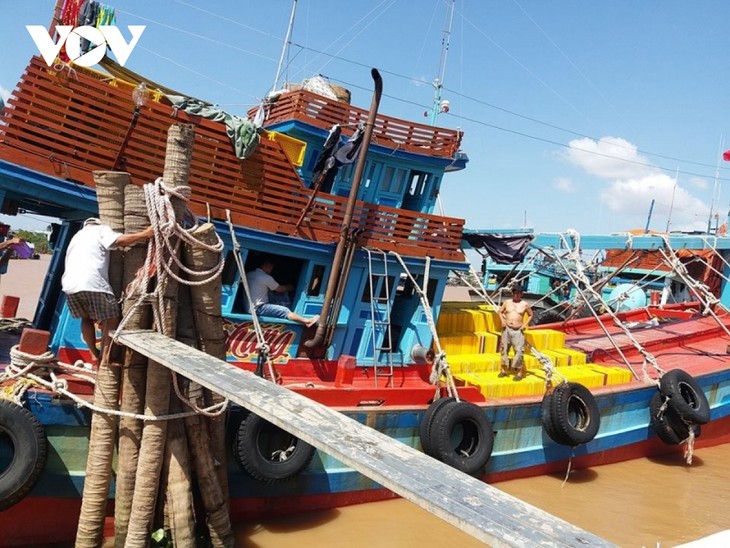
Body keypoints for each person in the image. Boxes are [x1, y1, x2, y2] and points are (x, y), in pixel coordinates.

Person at [61, 218, 154, 366]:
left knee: (86, 319)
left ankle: (93, 354)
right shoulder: (101, 230)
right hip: (92, 283)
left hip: (70, 285)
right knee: (111, 319)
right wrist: (146, 234)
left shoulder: (77, 235)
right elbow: (120, 241)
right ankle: (105, 359)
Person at [246, 258, 319, 327]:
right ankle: (307, 321)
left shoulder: (249, 274)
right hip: (258, 309)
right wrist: (290, 287)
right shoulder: (266, 277)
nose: (271, 270)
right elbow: (280, 289)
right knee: (285, 310)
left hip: (248, 307)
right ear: (265, 266)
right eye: (270, 267)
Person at [498, 285, 533, 381]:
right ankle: (503, 370)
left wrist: (525, 325)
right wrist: (502, 321)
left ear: (521, 294)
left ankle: (519, 372)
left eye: (518, 293)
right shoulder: (507, 302)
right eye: (514, 293)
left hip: (518, 330)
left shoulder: (524, 304)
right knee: (504, 349)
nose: (516, 295)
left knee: (519, 351)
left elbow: (530, 315)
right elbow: (500, 311)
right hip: (507, 328)